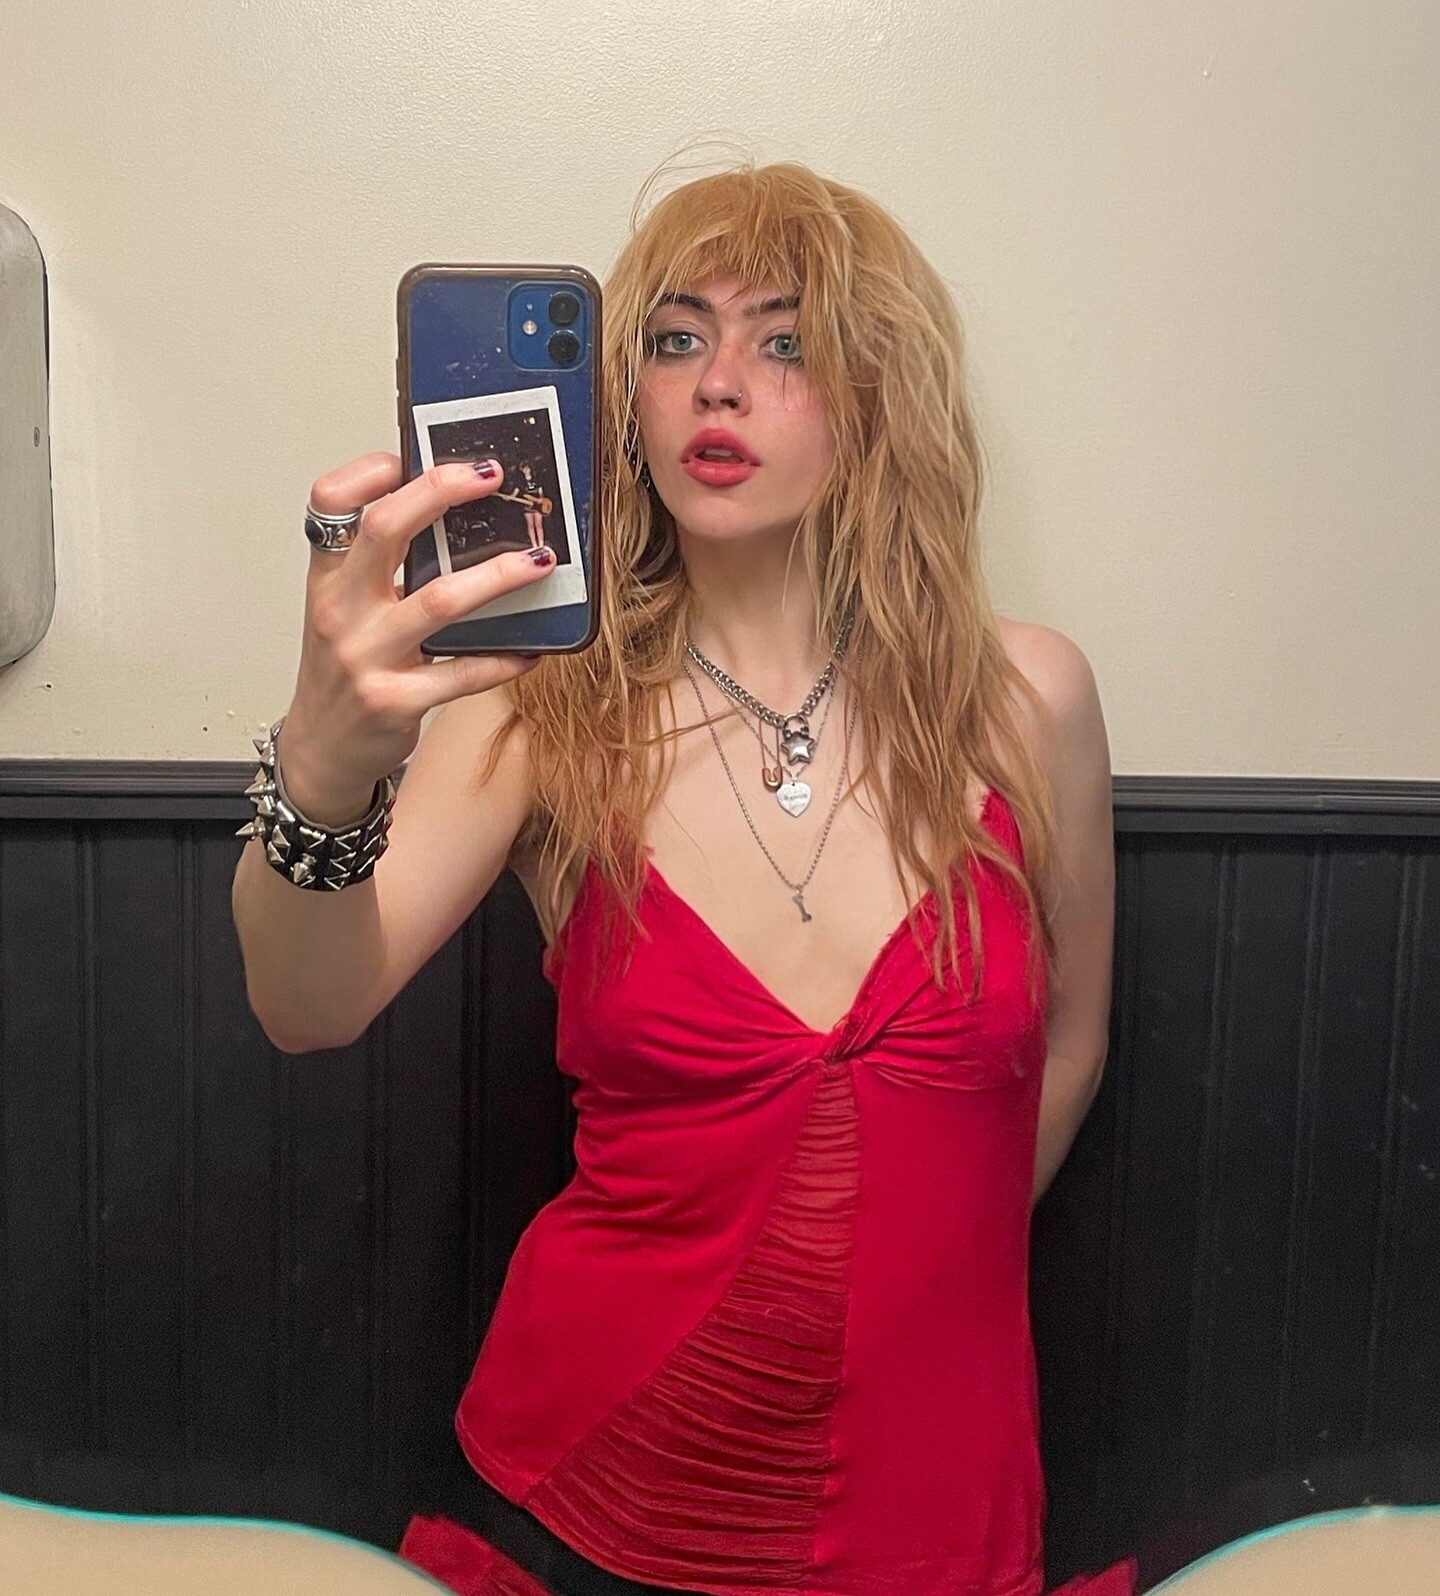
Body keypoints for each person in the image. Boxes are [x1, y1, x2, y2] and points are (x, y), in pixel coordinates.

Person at [232, 161, 1129, 1596]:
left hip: (936, 1512)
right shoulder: (541, 711)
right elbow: (306, 1003)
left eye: (786, 341)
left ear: (880, 393)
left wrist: (891, 1276)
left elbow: (1070, 1041)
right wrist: (324, 771)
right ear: (626, 404)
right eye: (675, 339)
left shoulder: (1028, 702)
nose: (720, 383)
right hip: (588, 1496)